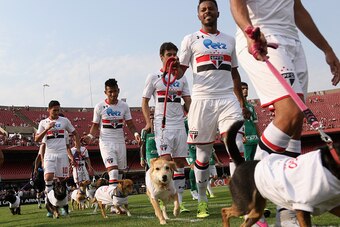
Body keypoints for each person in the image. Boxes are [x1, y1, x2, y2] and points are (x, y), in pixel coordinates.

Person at [230, 0, 340, 226]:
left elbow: (297, 9)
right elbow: (237, 4)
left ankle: (286, 210)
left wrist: (327, 49)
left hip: (292, 41)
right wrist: (250, 31)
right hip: (262, 35)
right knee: (290, 113)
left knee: (296, 127)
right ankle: (252, 186)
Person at [176, 0, 246, 218]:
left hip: (227, 98)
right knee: (203, 156)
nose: (207, 12)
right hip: (202, 100)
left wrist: (241, 101)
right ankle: (202, 202)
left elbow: (234, 73)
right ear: (198, 15)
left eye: (211, 8)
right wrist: (172, 65)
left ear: (218, 12)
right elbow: (179, 73)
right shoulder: (190, 39)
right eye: (203, 9)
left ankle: (241, 201)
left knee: (237, 145)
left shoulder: (229, 40)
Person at [142, 42, 191, 213]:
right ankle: (163, 203)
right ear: (161, 56)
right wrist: (148, 122)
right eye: (169, 54)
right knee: (165, 162)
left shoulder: (182, 77)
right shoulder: (153, 77)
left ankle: (179, 201)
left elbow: (188, 101)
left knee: (179, 163)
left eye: (174, 54)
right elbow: (145, 101)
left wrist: (192, 117)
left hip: (179, 125)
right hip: (162, 126)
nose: (172, 57)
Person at [85, 78, 141, 189]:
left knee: (119, 173)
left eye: (115, 91)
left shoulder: (124, 106)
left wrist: (135, 134)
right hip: (106, 142)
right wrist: (90, 136)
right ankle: (114, 201)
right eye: (110, 92)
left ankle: (118, 199)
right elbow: (95, 125)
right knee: (113, 171)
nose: (113, 94)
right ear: (105, 92)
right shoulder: (100, 107)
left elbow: (130, 124)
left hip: (120, 142)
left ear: (118, 90)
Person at [34, 100, 79, 216]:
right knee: (48, 178)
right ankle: (50, 207)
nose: (57, 112)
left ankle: (63, 206)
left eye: (58, 110)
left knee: (62, 181)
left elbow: (75, 133)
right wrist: (47, 129)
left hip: (62, 155)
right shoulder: (43, 122)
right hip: (49, 154)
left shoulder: (64, 121)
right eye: (54, 110)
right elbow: (37, 139)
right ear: (48, 110)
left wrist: (77, 150)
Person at [241, 82, 260, 161]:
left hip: (254, 138)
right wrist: (241, 136)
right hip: (245, 138)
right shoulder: (236, 105)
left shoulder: (251, 106)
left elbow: (255, 123)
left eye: (246, 88)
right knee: (247, 162)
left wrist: (260, 137)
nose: (245, 90)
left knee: (255, 161)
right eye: (242, 89)